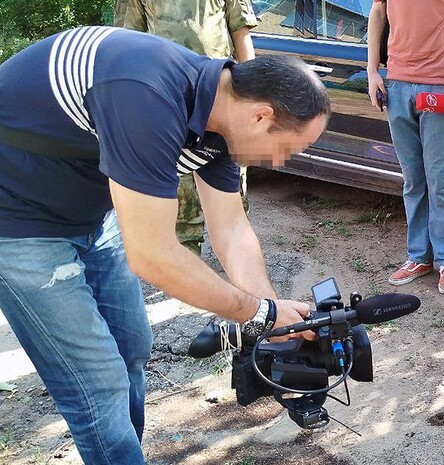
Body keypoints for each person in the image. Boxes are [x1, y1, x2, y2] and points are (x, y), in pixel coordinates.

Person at [0, 26, 329, 464]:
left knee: (131, 348)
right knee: (98, 383)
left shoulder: (221, 119)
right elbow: (152, 255)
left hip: (91, 212)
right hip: (17, 220)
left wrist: (274, 316)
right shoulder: (146, 94)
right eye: (289, 148)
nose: (283, 161)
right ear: (261, 116)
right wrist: (255, 313)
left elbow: (231, 230)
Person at [114, 0, 259, 256]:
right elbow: (128, 41)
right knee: (179, 196)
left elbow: (241, 32)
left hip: (221, 96)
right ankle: (188, 267)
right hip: (167, 98)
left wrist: (251, 96)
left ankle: (238, 269)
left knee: (231, 195)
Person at [366, 0, 444, 294]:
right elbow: (378, 12)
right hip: (397, 85)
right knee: (413, 179)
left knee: (440, 180)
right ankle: (418, 257)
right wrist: (372, 70)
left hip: (439, 85)